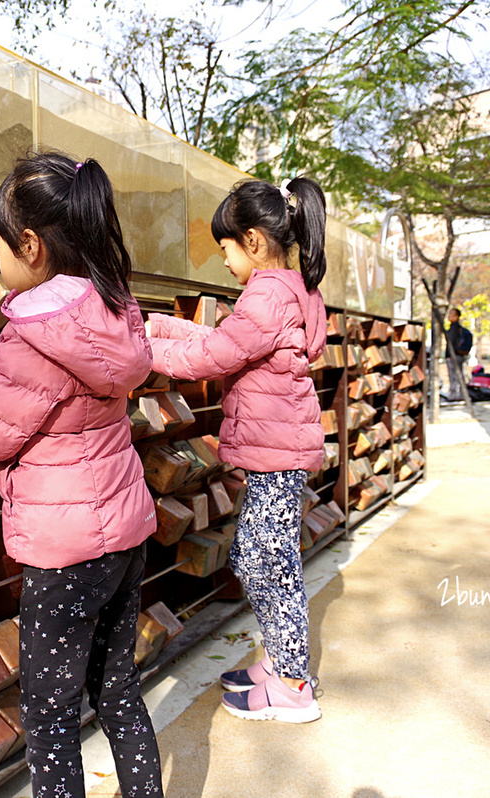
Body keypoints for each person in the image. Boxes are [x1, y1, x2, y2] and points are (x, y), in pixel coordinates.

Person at [0, 151, 163, 798]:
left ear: (31, 245)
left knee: (49, 718)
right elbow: (43, 372)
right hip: (124, 536)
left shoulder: (34, 331)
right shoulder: (108, 309)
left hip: (64, 554)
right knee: (120, 694)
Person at [143, 177, 327, 723]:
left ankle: (294, 686)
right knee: (263, 560)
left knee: (266, 564)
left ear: (251, 241)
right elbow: (222, 342)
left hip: (277, 455)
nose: (222, 261)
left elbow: (214, 356)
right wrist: (155, 324)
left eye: (224, 248)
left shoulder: (267, 295)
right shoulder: (287, 290)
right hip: (280, 453)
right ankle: (279, 663)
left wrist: (140, 348)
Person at [444, 308, 472, 401]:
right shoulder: (455, 328)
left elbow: (451, 343)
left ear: (457, 316)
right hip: (459, 355)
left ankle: (455, 394)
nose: (449, 316)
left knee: (454, 375)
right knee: (459, 375)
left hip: (454, 355)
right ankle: (461, 394)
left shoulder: (454, 328)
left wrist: (448, 355)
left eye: (451, 314)